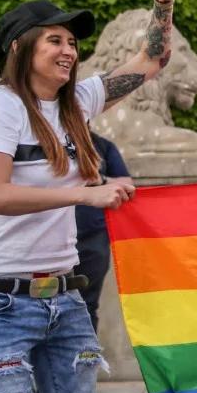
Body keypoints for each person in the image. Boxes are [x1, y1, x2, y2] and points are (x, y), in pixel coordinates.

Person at [0, 0, 177, 393]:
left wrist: (163, 5)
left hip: (64, 299)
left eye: (72, 41)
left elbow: (153, 60)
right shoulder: (1, 107)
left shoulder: (78, 102)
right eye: (54, 39)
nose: (68, 50)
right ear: (20, 49)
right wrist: (84, 195)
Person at [73, 132, 132, 333]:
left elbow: (127, 185)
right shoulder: (43, 140)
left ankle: (85, 362)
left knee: (87, 304)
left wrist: (100, 180)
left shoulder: (102, 145)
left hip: (93, 237)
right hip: (50, 239)